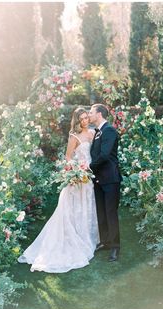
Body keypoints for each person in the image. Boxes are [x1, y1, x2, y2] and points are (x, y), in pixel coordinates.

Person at [18, 107, 99, 273]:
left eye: (86, 118)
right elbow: (68, 158)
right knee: (74, 209)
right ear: (77, 121)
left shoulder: (92, 133)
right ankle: (75, 238)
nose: (85, 121)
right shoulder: (74, 137)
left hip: (90, 177)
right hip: (79, 176)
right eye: (81, 119)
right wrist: (77, 170)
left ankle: (90, 237)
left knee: (89, 206)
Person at [89, 104, 122, 262]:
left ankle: (115, 247)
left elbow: (104, 155)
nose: (89, 115)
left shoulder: (109, 130)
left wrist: (87, 167)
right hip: (98, 179)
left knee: (110, 213)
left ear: (99, 114)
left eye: (91, 112)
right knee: (101, 212)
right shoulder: (98, 132)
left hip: (110, 179)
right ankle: (105, 242)